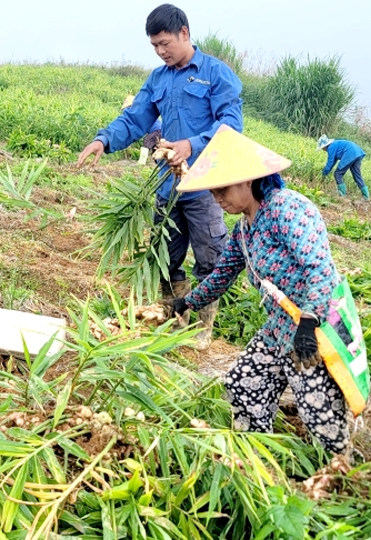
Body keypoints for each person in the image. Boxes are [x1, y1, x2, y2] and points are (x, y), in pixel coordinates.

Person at [168, 125, 350, 453]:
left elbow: (320, 268)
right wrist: (188, 302)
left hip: (314, 330)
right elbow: (222, 274)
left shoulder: (286, 209)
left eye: (223, 190)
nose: (217, 198)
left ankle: (343, 475)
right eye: (213, 192)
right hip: (279, 327)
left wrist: (308, 323)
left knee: (319, 414)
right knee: (243, 383)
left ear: (248, 180)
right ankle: (256, 457)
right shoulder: (245, 229)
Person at [77, 3, 243, 351]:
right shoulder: (158, 79)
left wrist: (192, 144)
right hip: (168, 188)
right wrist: (102, 139)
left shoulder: (215, 74)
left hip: (206, 187)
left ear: (184, 33)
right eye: (154, 46)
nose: (161, 51)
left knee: (211, 259)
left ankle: (201, 329)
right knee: (164, 258)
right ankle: (173, 316)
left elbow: (231, 125)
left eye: (165, 43)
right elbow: (135, 118)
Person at [317, 135, 370, 200]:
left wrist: (324, 174)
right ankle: (366, 196)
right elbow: (333, 162)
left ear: (325, 146)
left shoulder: (331, 147)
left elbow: (330, 162)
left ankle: (342, 195)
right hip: (357, 152)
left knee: (338, 174)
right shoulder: (335, 144)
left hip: (349, 153)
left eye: (322, 148)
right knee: (357, 175)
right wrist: (327, 171)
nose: (322, 150)